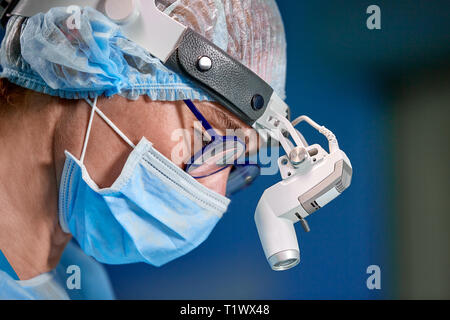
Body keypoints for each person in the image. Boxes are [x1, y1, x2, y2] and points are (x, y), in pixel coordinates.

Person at [0, 0, 287, 299]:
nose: (215, 193)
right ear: (78, 46)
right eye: (210, 141)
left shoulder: (83, 285)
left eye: (232, 162)